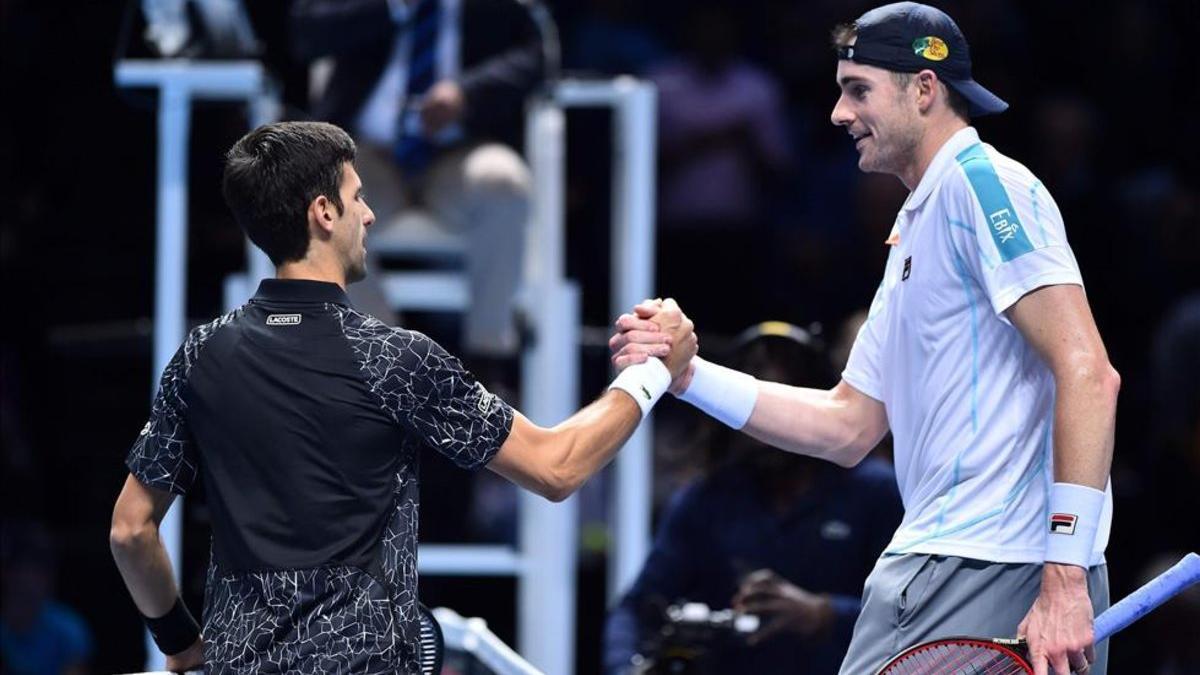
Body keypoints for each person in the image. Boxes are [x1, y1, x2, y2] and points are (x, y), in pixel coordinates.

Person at [611, 4, 1120, 675]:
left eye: (858, 90)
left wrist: (1065, 575)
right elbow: (848, 425)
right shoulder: (916, 227)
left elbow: (1087, 371)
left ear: (924, 89)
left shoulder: (984, 184)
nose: (838, 114)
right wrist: (689, 375)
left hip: (988, 566)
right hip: (960, 565)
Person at [108, 120, 696, 673]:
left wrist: (182, 646)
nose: (368, 215)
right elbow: (556, 467)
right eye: (358, 196)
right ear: (323, 213)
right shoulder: (394, 358)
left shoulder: (202, 353)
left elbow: (132, 531)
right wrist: (651, 375)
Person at [603, 323, 902, 674]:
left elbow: (911, 612)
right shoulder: (706, 498)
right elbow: (637, 609)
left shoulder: (877, 491)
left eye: (774, 409)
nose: (765, 431)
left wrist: (823, 614)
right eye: (752, 415)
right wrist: (625, 669)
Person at [291, 0, 543, 367]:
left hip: (462, 150)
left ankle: (490, 363)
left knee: (503, 182)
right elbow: (306, 35)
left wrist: (467, 93)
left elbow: (536, 58)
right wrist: (393, 7)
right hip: (366, 153)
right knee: (322, 196)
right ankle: (385, 362)